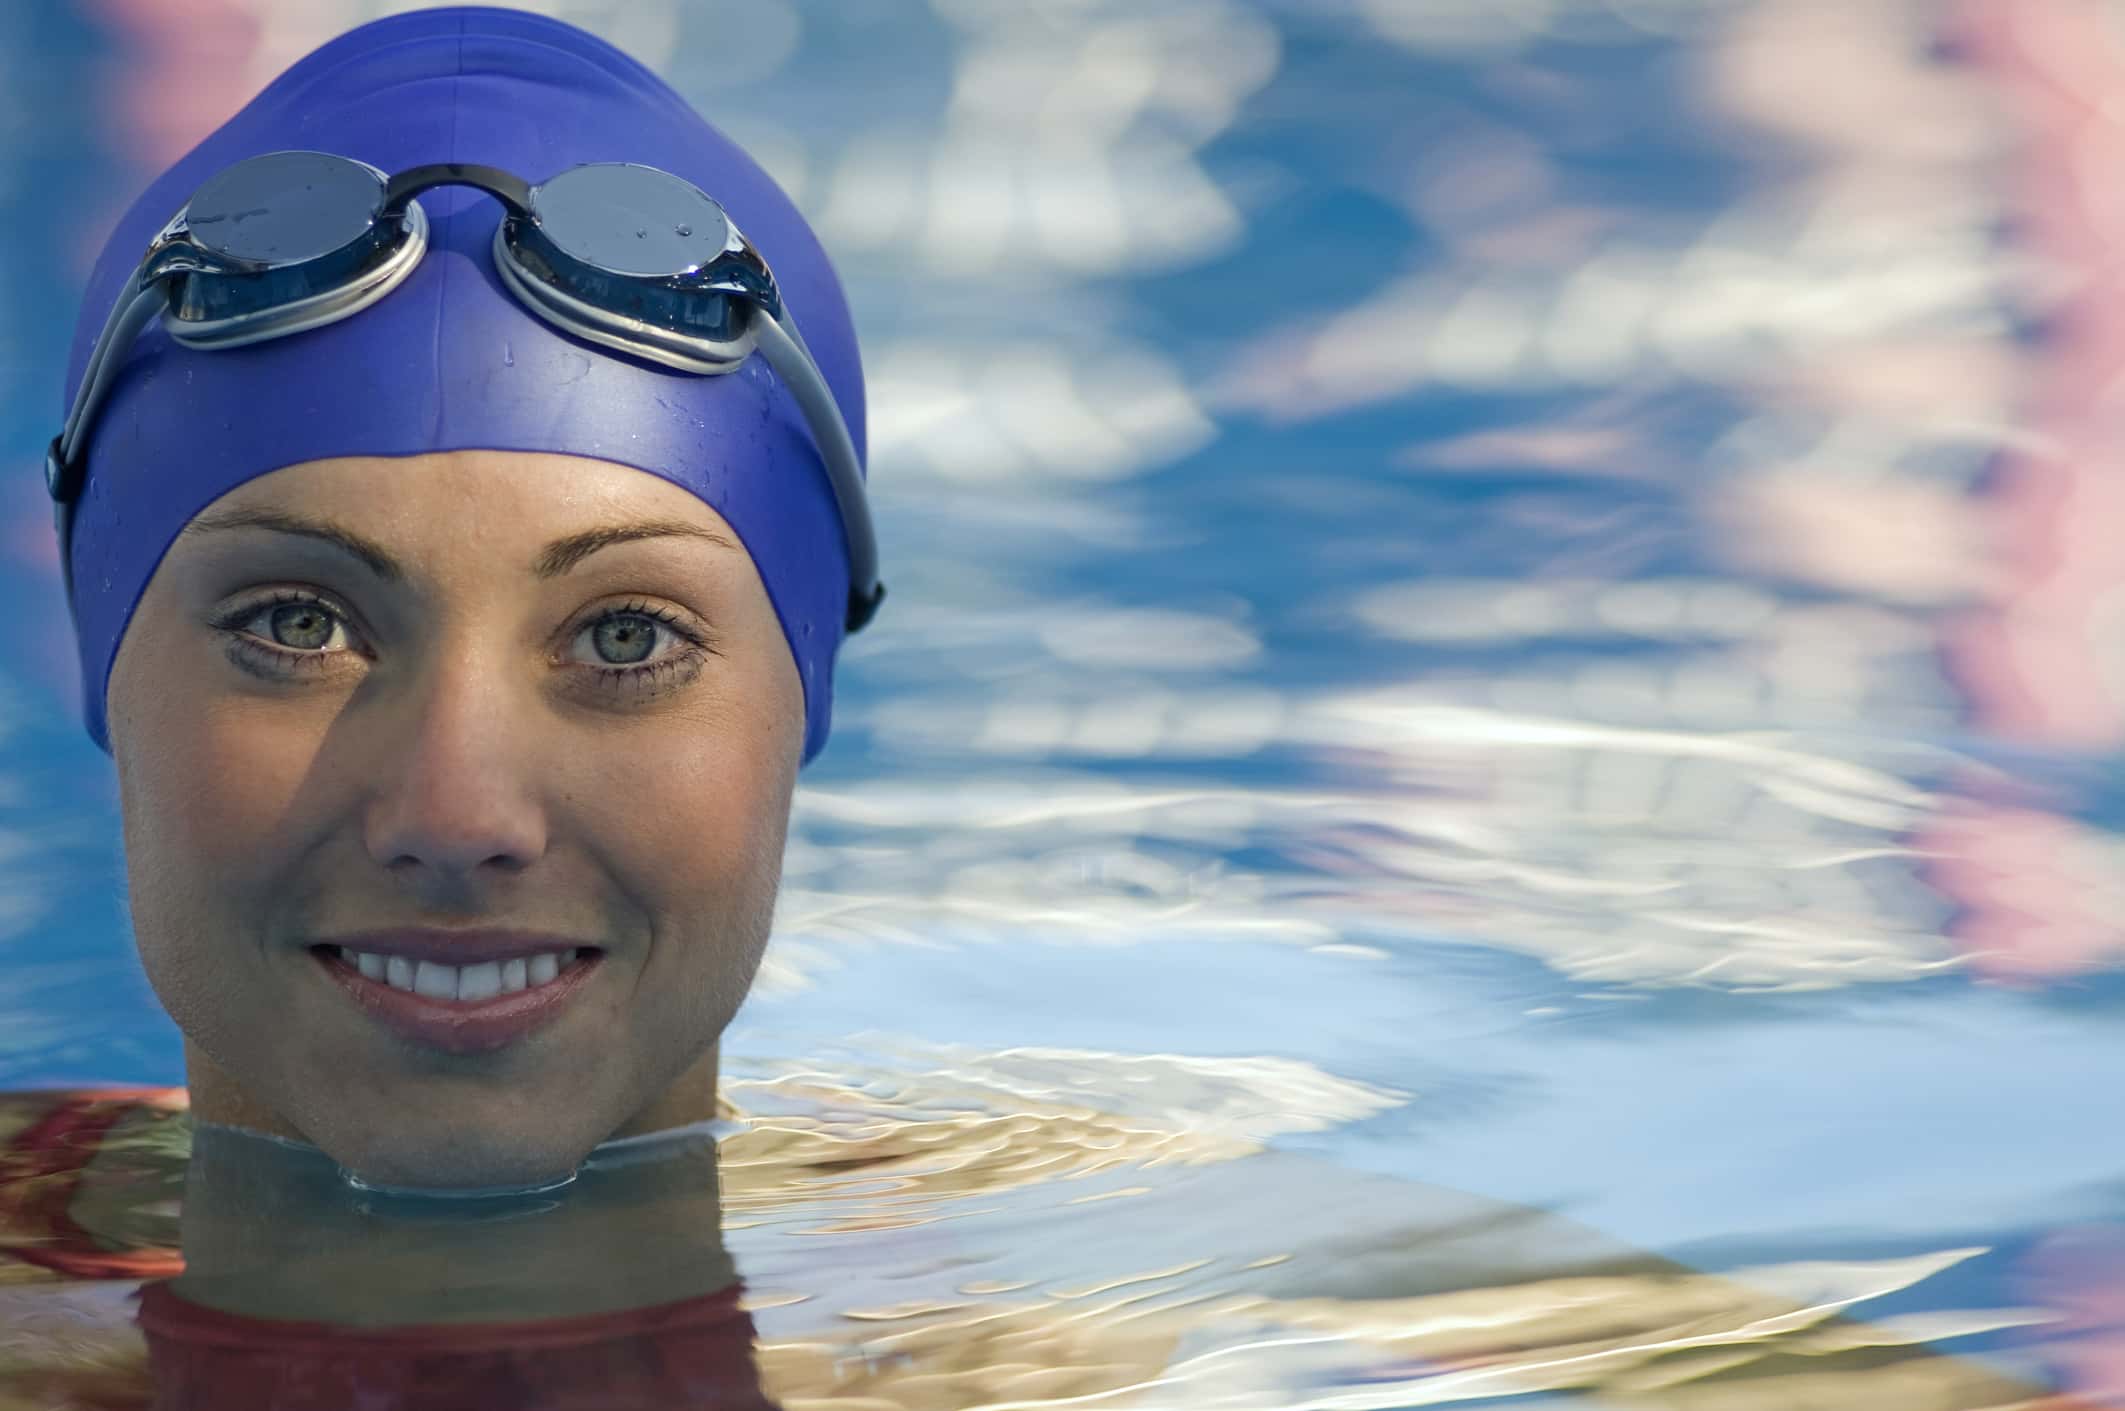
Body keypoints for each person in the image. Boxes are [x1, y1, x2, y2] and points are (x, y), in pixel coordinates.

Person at [43, 3, 879, 1199]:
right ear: (103, 662)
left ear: (805, 687)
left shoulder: (1059, 1363)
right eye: (298, 624)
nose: (456, 815)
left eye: (624, 635)